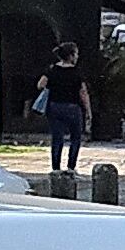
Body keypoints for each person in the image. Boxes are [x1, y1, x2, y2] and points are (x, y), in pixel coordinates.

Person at [36, 43, 93, 177]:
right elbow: (83, 93)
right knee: (75, 138)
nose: (77, 57)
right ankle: (71, 167)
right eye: (76, 54)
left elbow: (40, 85)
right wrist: (88, 111)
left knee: (57, 138)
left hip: (55, 106)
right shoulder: (77, 72)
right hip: (73, 108)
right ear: (71, 56)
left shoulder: (52, 70)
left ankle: (56, 167)